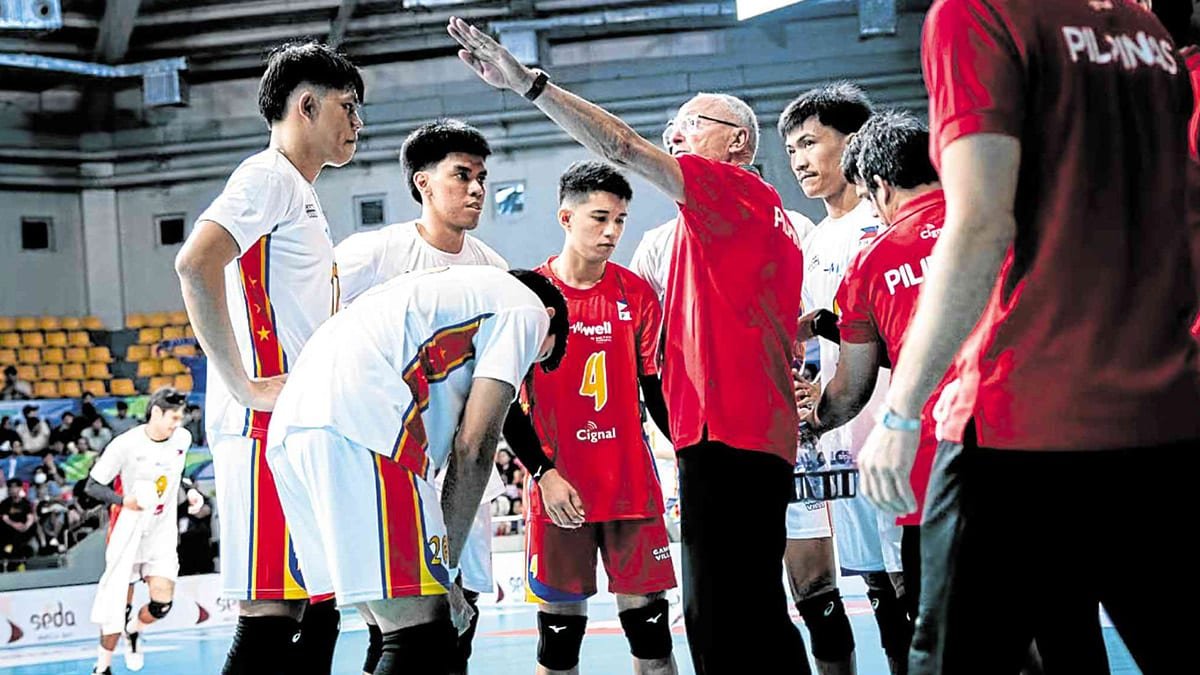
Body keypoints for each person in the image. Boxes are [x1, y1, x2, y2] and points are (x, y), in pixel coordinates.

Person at [446, 18, 807, 673]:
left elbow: (620, 144)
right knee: (741, 610)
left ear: (738, 142)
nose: (677, 135)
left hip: (719, 443)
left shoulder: (730, 195)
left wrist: (529, 84)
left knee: (720, 619)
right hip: (726, 439)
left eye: (692, 124)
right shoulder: (749, 225)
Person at [858, 1, 1199, 673]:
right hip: (1162, 416)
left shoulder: (977, 13)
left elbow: (983, 222)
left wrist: (902, 410)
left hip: (1021, 423)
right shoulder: (1145, 32)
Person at [264, 266, 567, 675]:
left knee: (393, 628)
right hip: (361, 423)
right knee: (421, 635)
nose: (526, 368)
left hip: (295, 431)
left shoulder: (448, 292)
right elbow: (475, 447)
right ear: (548, 316)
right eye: (540, 354)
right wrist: (447, 571)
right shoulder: (526, 310)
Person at [173, 41, 363, 674]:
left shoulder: (300, 193)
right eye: (348, 108)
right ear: (306, 106)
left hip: (295, 421)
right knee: (271, 610)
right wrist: (245, 386)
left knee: (319, 603)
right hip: (264, 424)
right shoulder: (267, 178)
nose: (357, 125)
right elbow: (194, 264)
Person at [334, 118, 508, 675]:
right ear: (422, 182)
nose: (477, 188)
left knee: (463, 613)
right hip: (388, 460)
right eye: (462, 175)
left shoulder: (493, 269)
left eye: (482, 176)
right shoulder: (370, 256)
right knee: (395, 620)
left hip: (460, 462)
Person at [502, 161, 677, 675]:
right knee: (558, 652)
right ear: (565, 216)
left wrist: (693, 457)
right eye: (600, 217)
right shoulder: (527, 296)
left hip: (631, 492)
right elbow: (507, 404)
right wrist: (542, 472)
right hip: (560, 495)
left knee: (653, 643)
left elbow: (657, 393)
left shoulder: (636, 295)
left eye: (621, 220)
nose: (612, 231)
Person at [780, 82, 909, 674]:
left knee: (922, 588)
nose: (801, 160)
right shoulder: (814, 239)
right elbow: (817, 340)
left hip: (906, 432)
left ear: (852, 141)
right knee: (882, 591)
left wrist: (832, 325)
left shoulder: (887, 220)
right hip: (845, 436)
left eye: (810, 143)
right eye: (791, 151)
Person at [85, 387, 203, 675]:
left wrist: (190, 491)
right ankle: (103, 667)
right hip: (128, 528)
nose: (178, 424)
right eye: (173, 418)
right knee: (116, 608)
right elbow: (92, 486)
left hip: (162, 532)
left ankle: (135, 630)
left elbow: (177, 471)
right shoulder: (125, 445)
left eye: (181, 418)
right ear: (156, 413)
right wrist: (125, 501)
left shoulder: (182, 439)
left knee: (162, 604)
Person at [0, 477, 36, 571]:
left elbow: (30, 517)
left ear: (20, 488)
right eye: (11, 488)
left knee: (20, 543)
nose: (13, 490)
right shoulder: (5, 503)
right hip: (10, 530)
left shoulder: (25, 503)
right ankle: (13, 564)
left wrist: (25, 527)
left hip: (23, 530)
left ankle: (19, 563)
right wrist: (15, 525)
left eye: (15, 487)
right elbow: (5, 518)